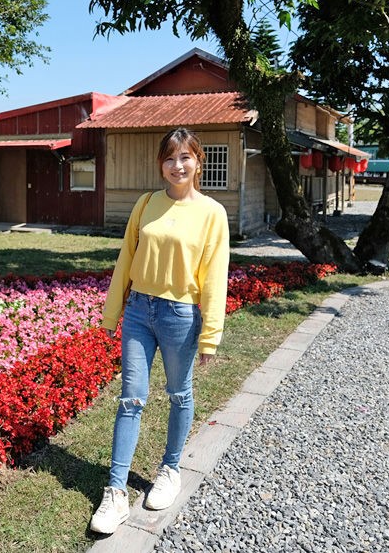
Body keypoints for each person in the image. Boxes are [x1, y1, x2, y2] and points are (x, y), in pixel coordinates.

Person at [89, 127, 230, 535]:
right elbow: (126, 257)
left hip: (180, 316)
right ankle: (115, 492)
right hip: (138, 311)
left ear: (198, 162)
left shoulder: (212, 214)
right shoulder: (146, 203)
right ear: (160, 164)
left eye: (185, 157)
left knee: (179, 392)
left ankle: (170, 469)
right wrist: (111, 312)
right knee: (131, 398)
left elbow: (215, 277)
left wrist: (211, 335)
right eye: (169, 158)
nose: (177, 165)